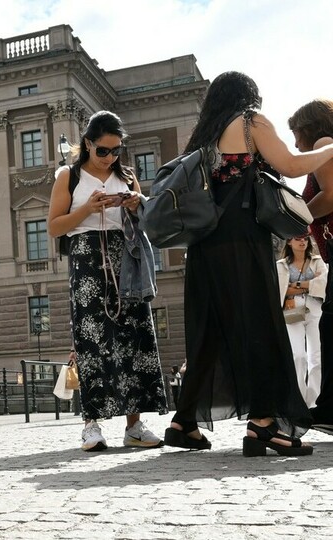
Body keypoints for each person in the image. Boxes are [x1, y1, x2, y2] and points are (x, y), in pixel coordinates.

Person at [163, 72, 333, 457]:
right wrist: (329, 149)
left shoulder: (204, 137)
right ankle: (263, 423)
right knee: (259, 324)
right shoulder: (249, 121)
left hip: (204, 245)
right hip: (241, 239)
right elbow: (290, 165)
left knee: (210, 333)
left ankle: (183, 422)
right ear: (248, 96)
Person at [48, 110, 168, 452]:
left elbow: (144, 223)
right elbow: (55, 227)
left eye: (116, 150)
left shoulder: (127, 176)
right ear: (88, 144)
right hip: (86, 259)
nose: (110, 157)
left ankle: (134, 426)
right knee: (92, 340)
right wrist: (87, 208)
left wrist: (135, 204)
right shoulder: (67, 177)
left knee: (135, 337)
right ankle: (91, 424)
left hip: (126, 257)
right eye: (103, 150)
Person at [288, 98, 333, 434]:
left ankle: (329, 408)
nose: (295, 145)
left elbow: (331, 194)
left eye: (296, 135)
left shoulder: (324, 143)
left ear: (309, 128)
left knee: (330, 327)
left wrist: (297, 217)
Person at [276, 234, 327, 408]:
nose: (302, 241)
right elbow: (280, 290)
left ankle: (313, 402)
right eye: (298, 238)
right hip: (292, 310)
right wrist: (309, 283)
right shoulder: (281, 265)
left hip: (315, 308)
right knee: (298, 355)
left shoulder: (317, 261)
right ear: (289, 242)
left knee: (317, 357)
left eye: (305, 238)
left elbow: (324, 283)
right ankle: (298, 401)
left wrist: (295, 286)